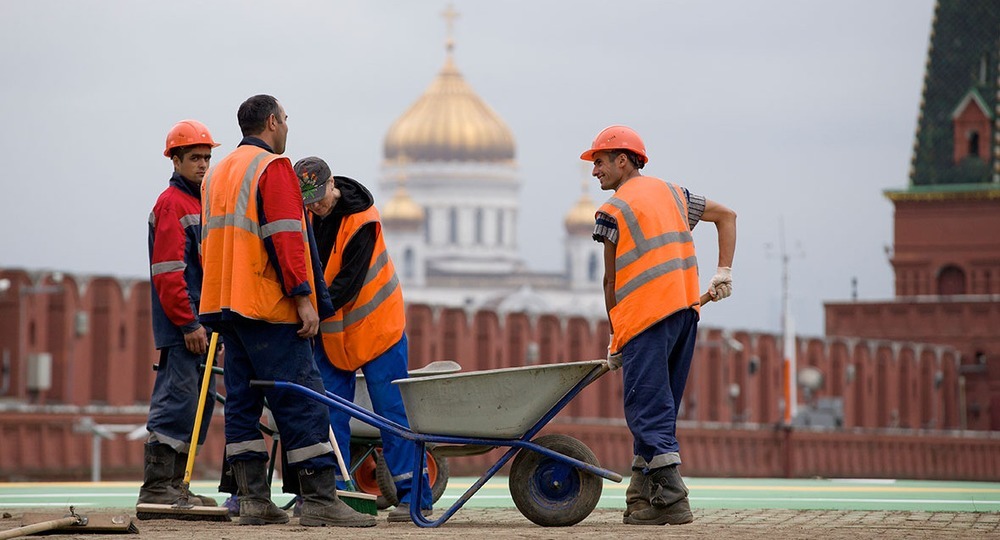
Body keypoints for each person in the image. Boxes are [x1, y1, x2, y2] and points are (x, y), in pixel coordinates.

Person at [199, 94, 375, 528]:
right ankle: (318, 499)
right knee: (301, 398)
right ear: (273, 122)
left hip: (224, 305)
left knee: (242, 402)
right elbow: (286, 237)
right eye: (286, 120)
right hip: (266, 306)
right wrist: (303, 297)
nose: (288, 128)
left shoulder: (216, 174)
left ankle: (254, 500)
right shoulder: (272, 168)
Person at [582, 125, 736, 526]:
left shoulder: (611, 211)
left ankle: (672, 497)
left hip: (645, 320)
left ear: (623, 160)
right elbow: (727, 216)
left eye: (599, 161)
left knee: (646, 407)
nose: (594, 170)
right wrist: (724, 272)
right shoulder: (675, 194)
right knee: (659, 407)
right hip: (685, 313)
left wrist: (616, 337)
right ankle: (642, 494)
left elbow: (610, 281)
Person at [293, 156, 433, 523]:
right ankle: (335, 496)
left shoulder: (362, 221)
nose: (314, 206)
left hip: (378, 328)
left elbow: (346, 285)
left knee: (392, 413)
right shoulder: (307, 217)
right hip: (335, 333)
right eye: (306, 201)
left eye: (318, 197)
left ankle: (414, 497)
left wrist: (306, 311)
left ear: (332, 185)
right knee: (327, 412)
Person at [139, 119, 222, 512]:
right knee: (177, 402)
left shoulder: (201, 202)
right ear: (175, 160)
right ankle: (158, 488)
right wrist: (188, 323)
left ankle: (177, 486)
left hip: (202, 326)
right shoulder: (173, 204)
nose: (203, 164)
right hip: (183, 329)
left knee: (197, 405)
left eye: (207, 157)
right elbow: (169, 272)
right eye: (194, 158)